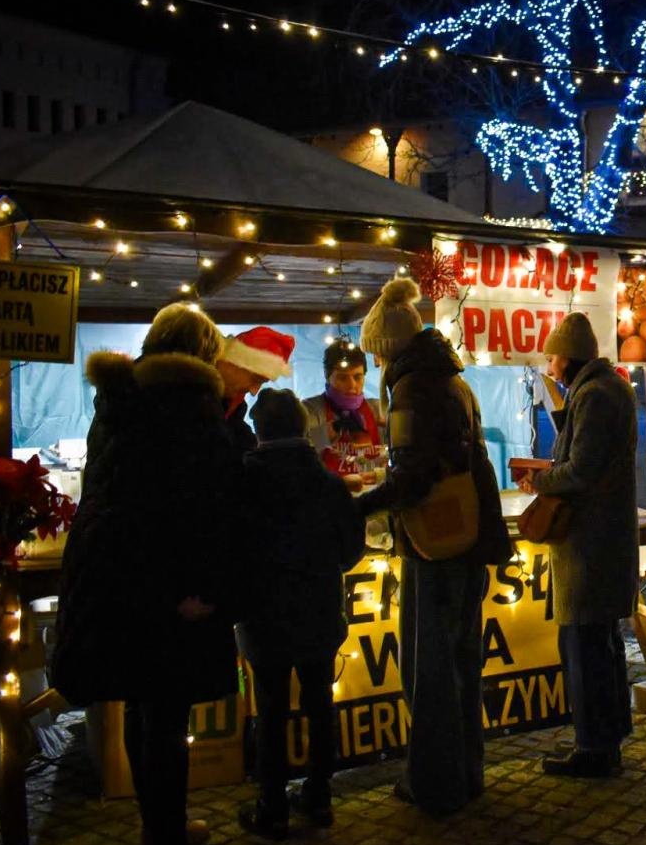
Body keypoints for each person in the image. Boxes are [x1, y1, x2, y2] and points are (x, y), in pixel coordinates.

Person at [52, 303, 242, 845]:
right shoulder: (187, 408)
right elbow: (198, 509)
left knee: (143, 706)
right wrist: (199, 587)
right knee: (165, 713)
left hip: (116, 573)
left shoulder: (119, 401)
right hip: (167, 580)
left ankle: (156, 830)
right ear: (203, 355)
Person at [355, 278, 509, 815]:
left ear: (390, 349)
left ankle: (433, 783)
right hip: (467, 538)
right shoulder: (453, 381)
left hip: (433, 542)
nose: (375, 365)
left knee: (429, 667)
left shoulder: (412, 390)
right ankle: (467, 772)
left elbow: (412, 475)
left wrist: (361, 506)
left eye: (376, 354)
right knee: (461, 662)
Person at [236, 389, 365, 839]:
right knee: (319, 703)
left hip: (263, 614)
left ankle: (272, 805)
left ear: (259, 430)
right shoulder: (328, 484)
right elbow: (351, 550)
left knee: (271, 709)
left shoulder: (244, 483)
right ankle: (319, 795)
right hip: (319, 610)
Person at [517, 312, 639, 778]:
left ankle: (594, 748)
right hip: (603, 537)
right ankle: (609, 736)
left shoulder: (593, 395)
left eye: (552, 358)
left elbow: (582, 469)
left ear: (568, 357)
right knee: (601, 641)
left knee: (584, 644)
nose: (549, 367)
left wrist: (539, 479)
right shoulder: (610, 388)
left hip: (590, 539)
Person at [303, 340, 385, 472]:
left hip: (376, 484)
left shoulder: (378, 409)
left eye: (357, 377)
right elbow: (298, 452)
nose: (352, 385)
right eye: (342, 378)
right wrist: (324, 434)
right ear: (327, 377)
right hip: (328, 485)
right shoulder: (310, 410)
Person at [216, 326, 297, 455]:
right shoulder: (191, 397)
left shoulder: (234, 410)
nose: (254, 392)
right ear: (233, 363)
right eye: (255, 379)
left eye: (261, 383)